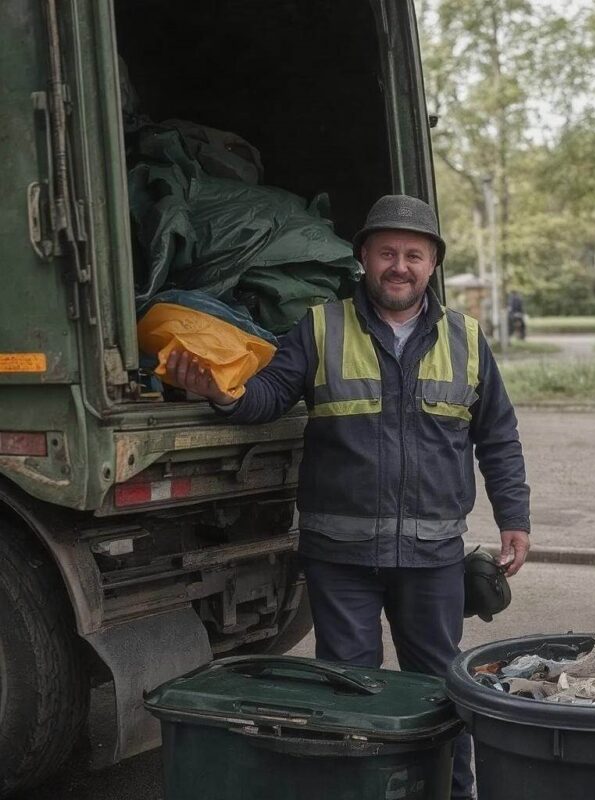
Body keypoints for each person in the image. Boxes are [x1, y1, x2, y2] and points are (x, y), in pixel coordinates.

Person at [165, 195, 531, 799]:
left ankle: (450, 794)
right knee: (347, 700)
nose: (400, 265)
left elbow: (498, 436)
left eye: (414, 254)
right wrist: (224, 395)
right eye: (387, 252)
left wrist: (514, 518)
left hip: (433, 560)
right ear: (363, 257)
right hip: (341, 561)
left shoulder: (466, 338)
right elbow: (267, 397)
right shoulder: (319, 326)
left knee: (443, 693)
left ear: (432, 264)